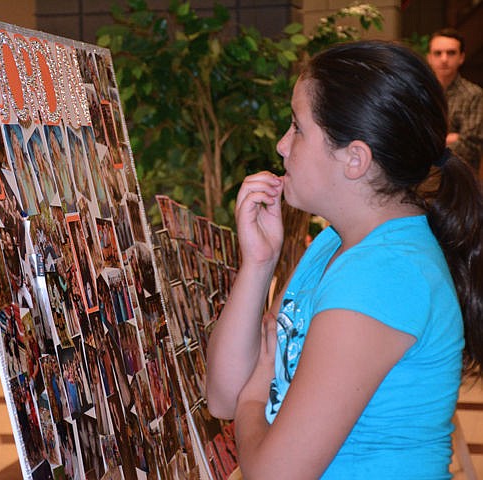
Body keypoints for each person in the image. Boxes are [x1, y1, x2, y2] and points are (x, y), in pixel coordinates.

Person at [206, 40, 483, 479]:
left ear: (355, 158)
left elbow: (273, 471)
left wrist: (254, 397)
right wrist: (259, 264)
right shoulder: (334, 243)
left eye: (297, 128)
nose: (281, 145)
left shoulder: (383, 273)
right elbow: (222, 394)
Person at [427, 28, 483, 171]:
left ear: (461, 57)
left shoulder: (473, 94)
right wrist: (450, 138)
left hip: (460, 179)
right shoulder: (422, 92)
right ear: (429, 58)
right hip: (423, 179)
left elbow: (471, 147)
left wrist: (430, 144)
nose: (444, 59)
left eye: (451, 53)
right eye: (438, 53)